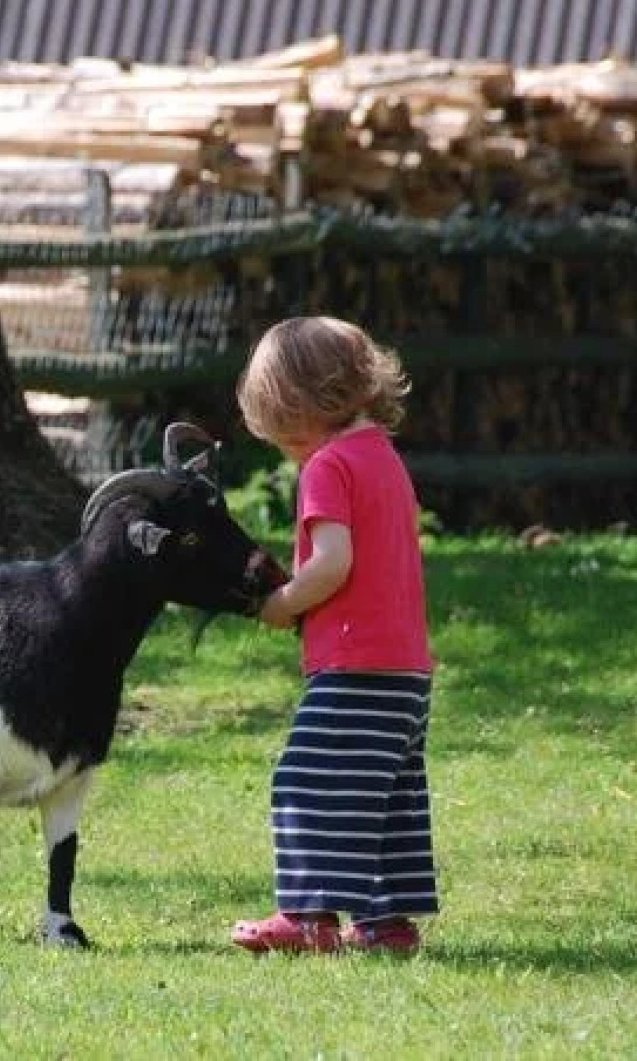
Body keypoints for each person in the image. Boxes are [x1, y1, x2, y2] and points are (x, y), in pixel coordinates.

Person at [227, 315, 438, 956]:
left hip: (355, 664)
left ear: (300, 407)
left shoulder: (328, 466)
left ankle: (306, 918)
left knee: (306, 782)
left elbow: (332, 564)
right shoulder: (386, 460)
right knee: (378, 795)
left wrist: (281, 604)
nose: (281, 445)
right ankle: (386, 924)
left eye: (279, 428)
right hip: (406, 667)